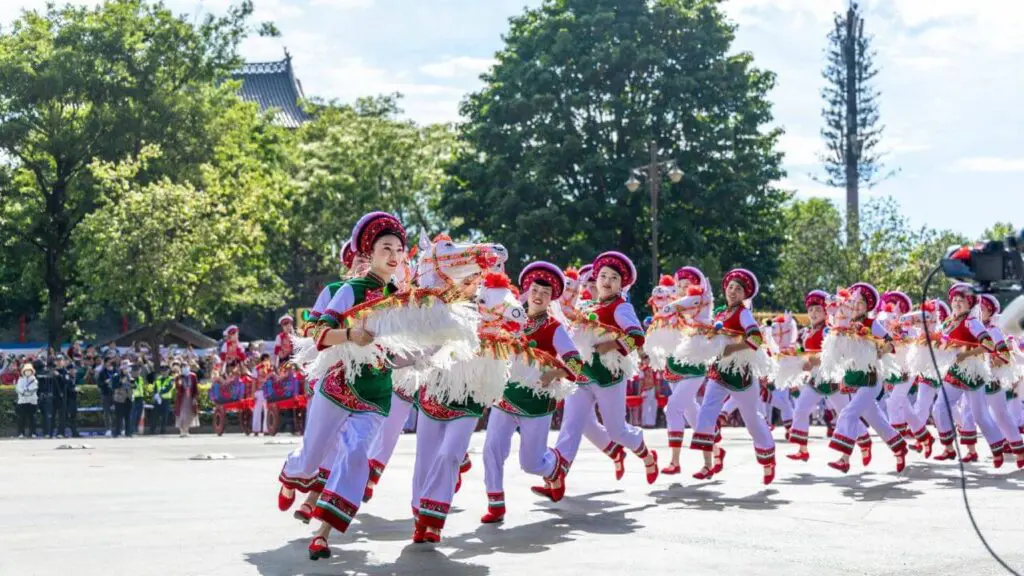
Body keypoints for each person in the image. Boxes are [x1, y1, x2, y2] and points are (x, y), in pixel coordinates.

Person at [276, 211, 407, 560]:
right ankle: (292, 477)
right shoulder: (351, 289)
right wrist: (351, 334)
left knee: (354, 457)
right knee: (311, 458)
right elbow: (318, 334)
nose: (394, 256)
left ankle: (323, 533)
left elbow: (404, 348)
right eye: (386, 248)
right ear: (370, 252)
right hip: (338, 386)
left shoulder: (403, 298)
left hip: (376, 393)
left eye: (399, 249)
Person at [542, 251, 659, 499]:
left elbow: (638, 336)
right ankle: (556, 476)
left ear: (621, 284)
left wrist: (612, 345)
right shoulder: (587, 305)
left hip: (609, 377)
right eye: (603, 275)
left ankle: (647, 455)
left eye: (613, 277)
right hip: (583, 375)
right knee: (571, 426)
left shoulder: (621, 306)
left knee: (616, 430)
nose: (606, 281)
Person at [480, 261, 582, 522]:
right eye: (535, 290)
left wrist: (553, 374)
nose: (539, 296)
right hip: (506, 396)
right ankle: (496, 505)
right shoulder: (509, 317)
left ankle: (554, 468)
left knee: (531, 463)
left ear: (551, 299)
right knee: (491, 449)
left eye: (545, 294)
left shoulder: (554, 328)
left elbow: (575, 363)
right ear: (526, 290)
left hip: (537, 402)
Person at [688, 268, 776, 484]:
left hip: (742, 377)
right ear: (725, 289)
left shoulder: (743, 313)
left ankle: (768, 460)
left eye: (738, 289)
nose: (733, 291)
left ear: (745, 294)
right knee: (706, 412)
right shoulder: (719, 312)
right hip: (718, 372)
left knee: (752, 421)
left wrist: (732, 349)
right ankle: (709, 464)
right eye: (730, 287)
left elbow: (756, 339)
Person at [174, 365, 200, 437]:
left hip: (190, 398)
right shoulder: (178, 377)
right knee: (182, 414)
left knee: (189, 414)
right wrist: (179, 383)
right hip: (182, 398)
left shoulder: (193, 376)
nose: (185, 368)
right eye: (183, 367)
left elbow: (196, 387)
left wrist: (195, 398)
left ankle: (187, 430)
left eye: (186, 367)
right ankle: (182, 431)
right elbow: (177, 387)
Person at [16, 363, 39, 438]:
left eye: (29, 370)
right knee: (21, 418)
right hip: (22, 401)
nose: (28, 372)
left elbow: (34, 388)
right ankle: (21, 433)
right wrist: (23, 392)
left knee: (32, 418)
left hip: (32, 402)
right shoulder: (20, 379)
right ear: (24, 371)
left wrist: (27, 390)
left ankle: (33, 433)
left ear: (32, 371)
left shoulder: (34, 380)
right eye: (26, 370)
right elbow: (18, 388)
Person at [112, 361, 134, 437]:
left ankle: (128, 432)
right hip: (119, 398)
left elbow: (134, 386)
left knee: (128, 416)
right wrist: (121, 381)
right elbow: (114, 386)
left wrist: (133, 383)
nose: (128, 369)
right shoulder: (116, 375)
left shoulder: (130, 375)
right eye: (127, 367)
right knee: (119, 417)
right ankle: (117, 432)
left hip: (129, 398)